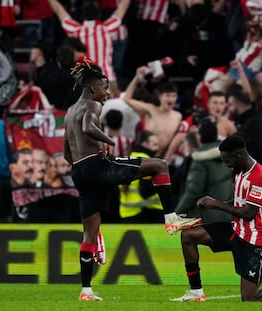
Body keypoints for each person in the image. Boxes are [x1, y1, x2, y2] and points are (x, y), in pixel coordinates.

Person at [63, 57, 201, 301]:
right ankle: (171, 219)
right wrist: (109, 141)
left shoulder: (69, 112)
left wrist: (84, 167)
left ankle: (86, 290)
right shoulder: (92, 105)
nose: (107, 93)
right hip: (96, 166)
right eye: (105, 88)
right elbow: (88, 127)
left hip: (79, 171)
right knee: (159, 165)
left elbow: (66, 151)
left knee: (89, 234)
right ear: (94, 89)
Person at [171, 134, 262, 303]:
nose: (226, 163)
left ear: (239, 155)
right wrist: (213, 203)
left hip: (254, 239)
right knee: (188, 236)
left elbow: (249, 213)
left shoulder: (260, 176)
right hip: (236, 230)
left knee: (250, 299)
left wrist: (217, 204)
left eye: (227, 159)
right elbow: (239, 201)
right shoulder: (238, 170)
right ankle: (196, 292)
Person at [175, 118, 233, 224]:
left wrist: (177, 213)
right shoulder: (228, 155)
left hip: (208, 218)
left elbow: (193, 191)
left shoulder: (200, 160)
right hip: (229, 214)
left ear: (200, 137)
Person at [119, 130, 164, 223]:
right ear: (145, 144)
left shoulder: (128, 158)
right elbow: (146, 191)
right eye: (154, 144)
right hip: (147, 214)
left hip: (128, 213)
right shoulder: (147, 161)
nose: (158, 148)